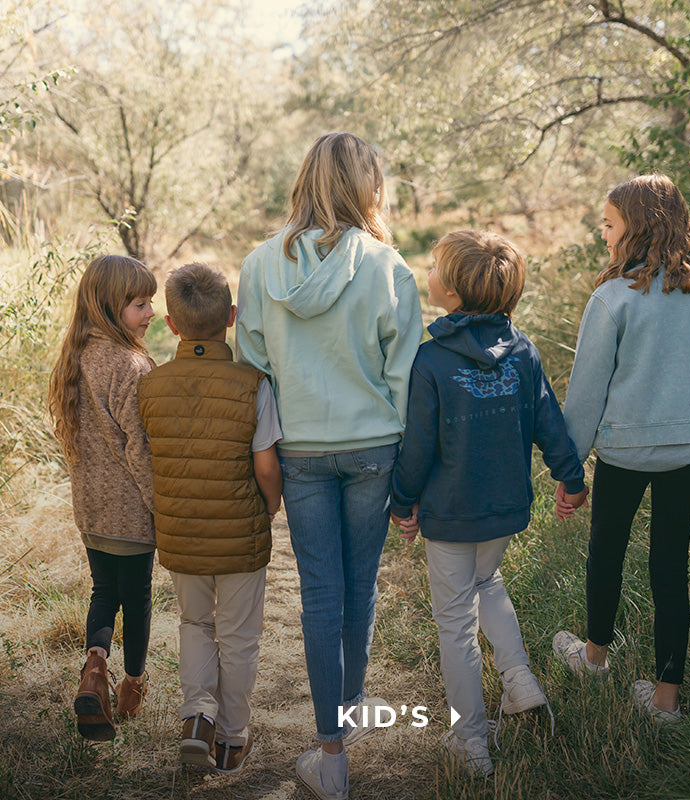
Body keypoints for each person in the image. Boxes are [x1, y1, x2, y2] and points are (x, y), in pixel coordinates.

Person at [236, 132, 423, 800]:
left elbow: (253, 369)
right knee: (359, 583)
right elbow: (405, 373)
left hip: (301, 449)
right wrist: (411, 469)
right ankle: (350, 706)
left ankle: (330, 753)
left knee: (320, 591)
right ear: (366, 186)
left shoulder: (259, 266)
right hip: (375, 447)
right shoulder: (386, 265)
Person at [553, 174, 690, 722]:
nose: (603, 235)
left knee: (607, 551)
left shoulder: (613, 298)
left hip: (624, 452)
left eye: (609, 224)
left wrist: (569, 473)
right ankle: (666, 701)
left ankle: (594, 659)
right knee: (670, 563)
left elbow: (586, 394)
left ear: (637, 228)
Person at [389, 230, 587, 775]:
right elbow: (550, 420)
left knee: (454, 622)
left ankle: (470, 739)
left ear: (451, 293)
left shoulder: (429, 361)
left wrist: (402, 501)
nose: (426, 271)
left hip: (451, 513)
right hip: (504, 507)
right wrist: (571, 478)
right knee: (487, 582)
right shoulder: (522, 351)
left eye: (433, 266)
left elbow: (418, 445)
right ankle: (519, 679)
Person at [137, 262, 283, 774]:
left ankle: (197, 713)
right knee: (239, 636)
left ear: (171, 325)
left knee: (195, 622)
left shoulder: (150, 386)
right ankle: (232, 739)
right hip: (239, 532)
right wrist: (269, 506)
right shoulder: (253, 383)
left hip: (179, 529)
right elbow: (266, 464)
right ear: (234, 317)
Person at [48, 254, 157, 741]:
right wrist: (162, 509)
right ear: (112, 309)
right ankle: (132, 684)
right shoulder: (130, 365)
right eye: (140, 304)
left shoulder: (75, 357)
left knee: (103, 591)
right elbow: (140, 448)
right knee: (136, 600)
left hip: (90, 510)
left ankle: (95, 665)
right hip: (130, 511)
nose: (150, 312)